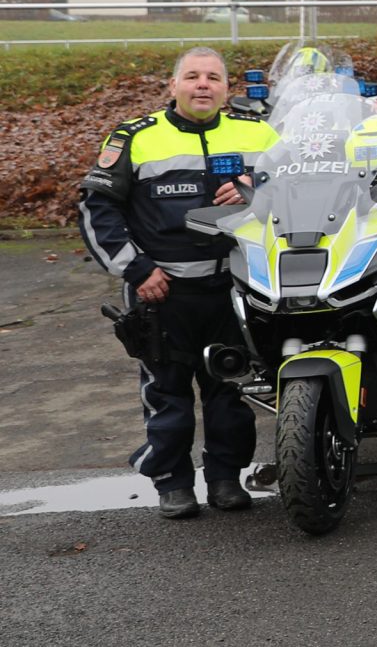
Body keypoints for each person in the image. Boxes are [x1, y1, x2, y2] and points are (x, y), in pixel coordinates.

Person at [79, 48, 276, 519]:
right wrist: (138, 269)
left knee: (230, 393)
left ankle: (227, 478)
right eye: (192, 77)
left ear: (229, 89)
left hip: (238, 287)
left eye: (213, 77)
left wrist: (256, 186)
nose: (203, 84)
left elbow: (303, 191)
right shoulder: (135, 137)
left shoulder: (261, 134)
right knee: (168, 395)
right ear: (173, 86)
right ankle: (173, 482)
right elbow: (96, 208)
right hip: (161, 291)